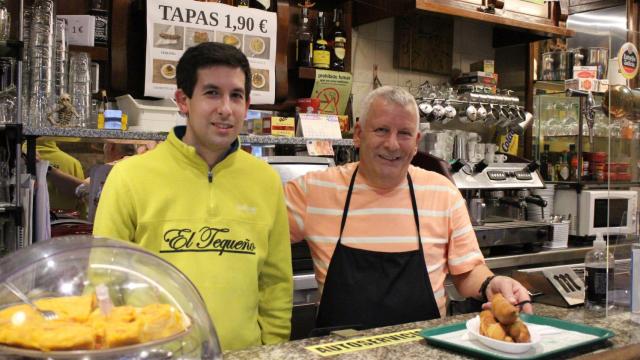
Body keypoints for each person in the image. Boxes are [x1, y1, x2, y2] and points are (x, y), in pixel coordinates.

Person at [93, 42, 293, 351]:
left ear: (247, 103)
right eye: (212, 93)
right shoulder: (129, 177)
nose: (226, 109)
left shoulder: (265, 180)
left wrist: (273, 350)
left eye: (236, 95)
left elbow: (276, 283)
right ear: (183, 100)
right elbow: (104, 281)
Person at [284, 86, 532, 331]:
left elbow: (468, 271)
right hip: (340, 353)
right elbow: (255, 240)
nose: (392, 144)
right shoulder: (314, 191)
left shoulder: (442, 193)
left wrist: (491, 282)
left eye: (404, 133)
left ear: (416, 142)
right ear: (358, 134)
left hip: (422, 350)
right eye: (381, 130)